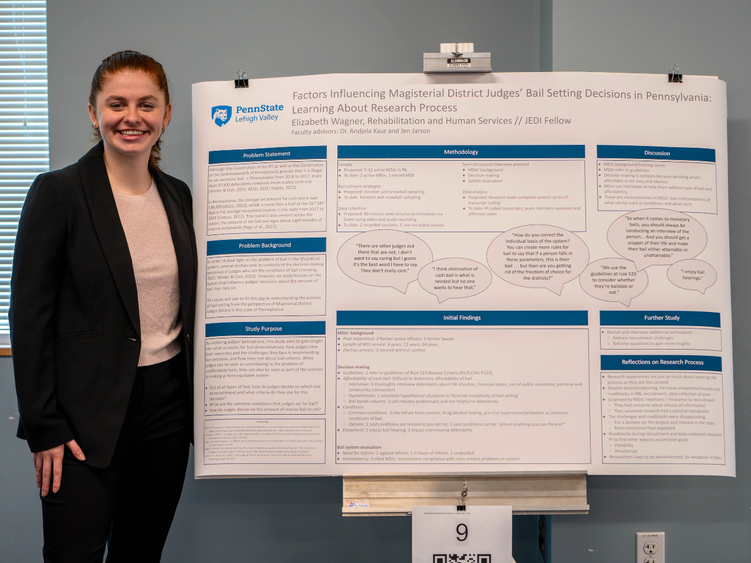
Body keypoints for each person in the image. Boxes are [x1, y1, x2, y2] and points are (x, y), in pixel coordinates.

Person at [9, 50, 196, 562]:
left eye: (145, 104)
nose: (131, 117)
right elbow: (29, 317)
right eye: (116, 104)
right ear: (94, 113)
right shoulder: (59, 192)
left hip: (167, 409)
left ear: (166, 114)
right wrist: (44, 425)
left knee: (141, 552)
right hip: (81, 415)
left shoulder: (178, 196)